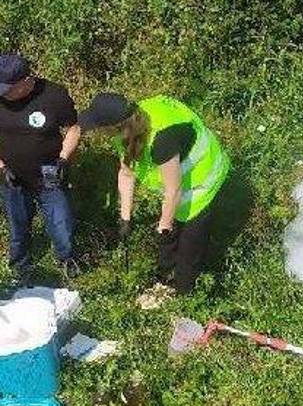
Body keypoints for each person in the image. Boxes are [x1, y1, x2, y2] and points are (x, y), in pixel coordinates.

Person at [78, 93, 231, 296]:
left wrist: (164, 228)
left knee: (188, 250)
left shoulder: (162, 141)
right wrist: (125, 219)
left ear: (113, 127)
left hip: (203, 184)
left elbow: (173, 191)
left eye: (99, 127)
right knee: (169, 239)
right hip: (178, 185)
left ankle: (184, 295)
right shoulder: (127, 127)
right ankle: (164, 281)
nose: (97, 131)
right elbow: (126, 173)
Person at [0, 53, 81, 285]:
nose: (1, 93)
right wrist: (0, 168)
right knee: (17, 226)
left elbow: (73, 129)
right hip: (12, 176)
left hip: (50, 172)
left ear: (25, 82)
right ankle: (20, 269)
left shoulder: (54, 95)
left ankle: (67, 264)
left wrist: (63, 159)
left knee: (61, 225)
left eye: (6, 88)